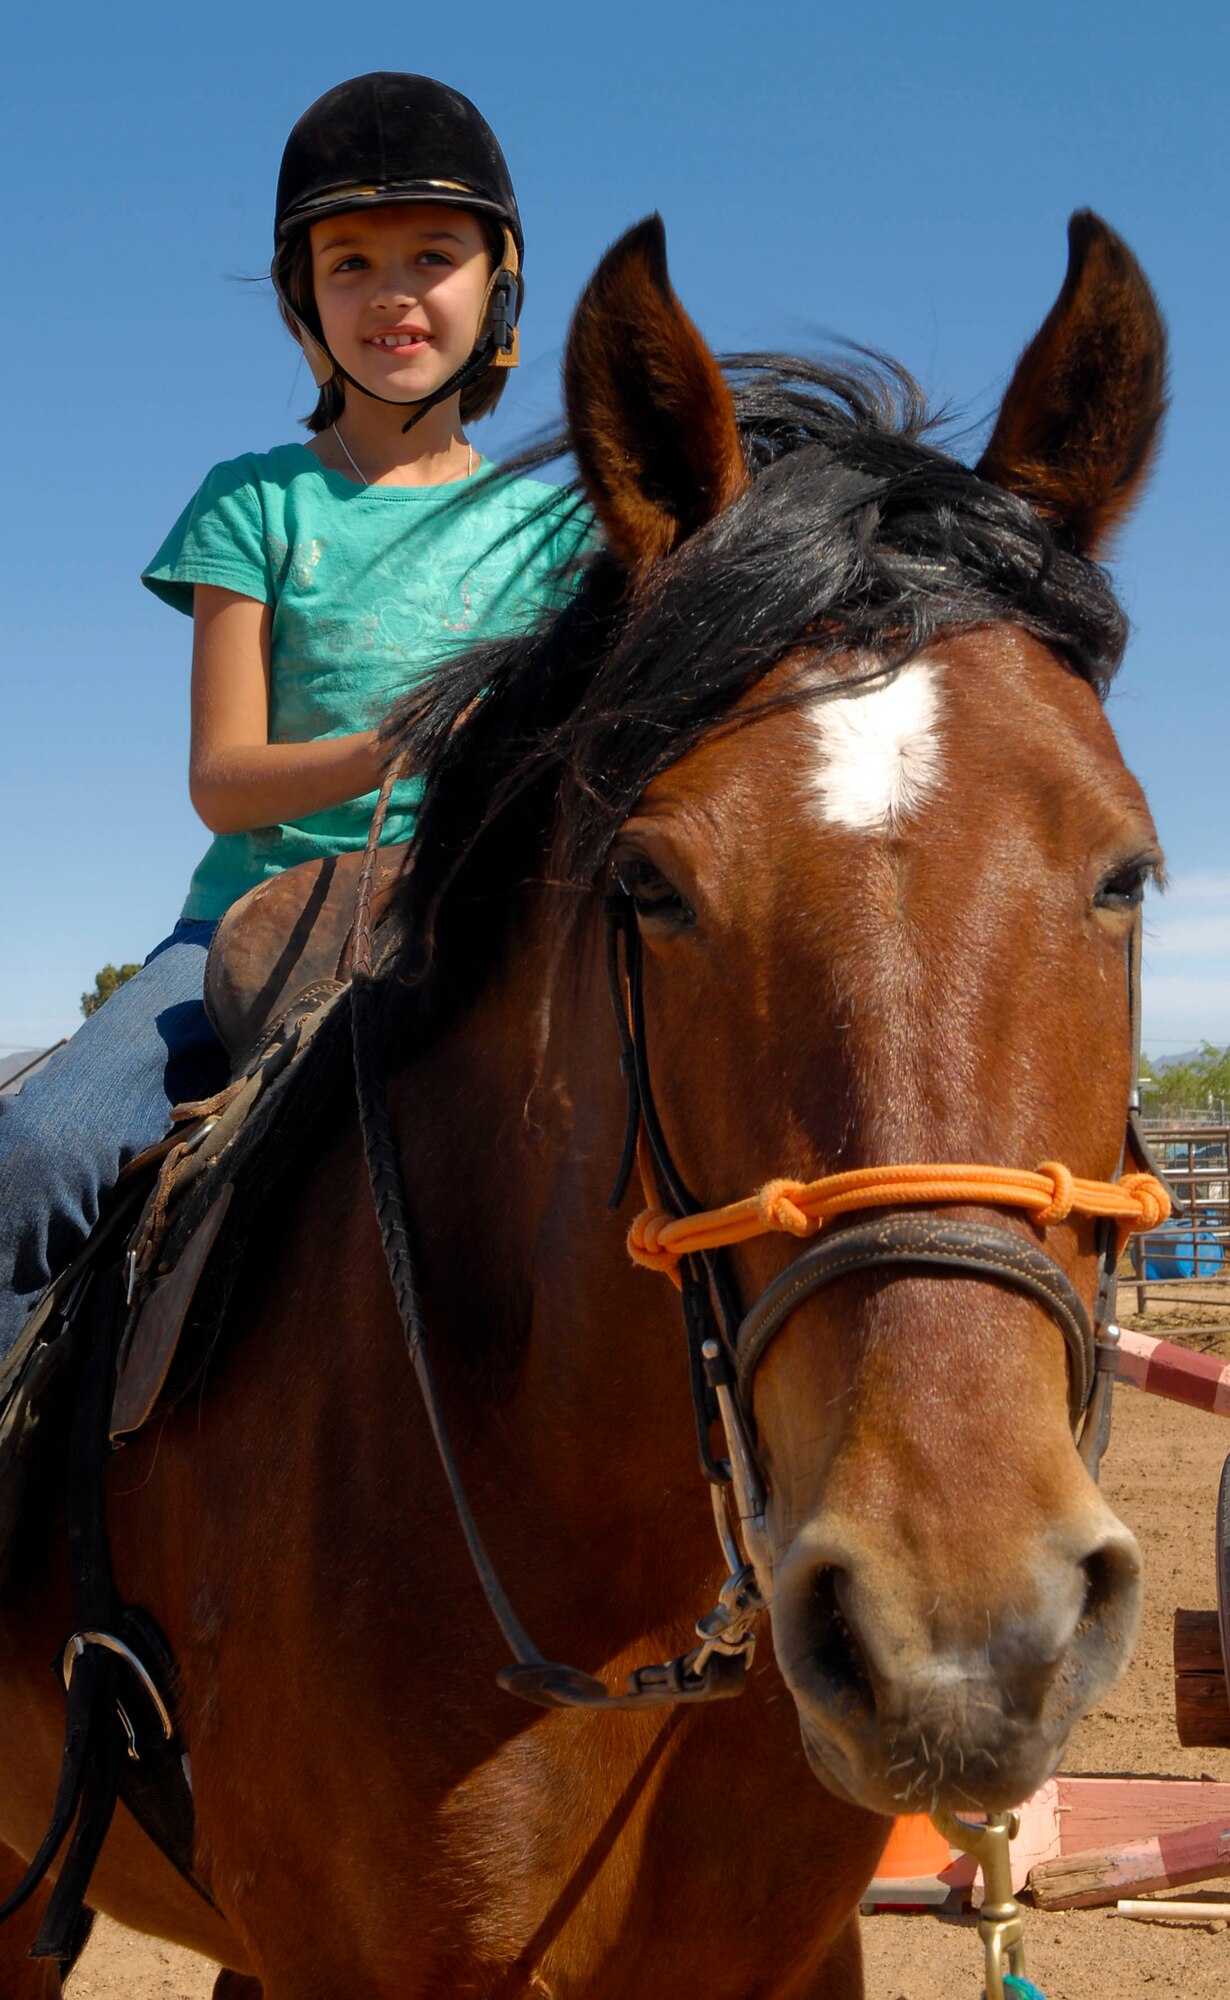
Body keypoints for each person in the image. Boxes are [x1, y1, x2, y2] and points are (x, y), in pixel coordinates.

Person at [0, 72, 590, 1362]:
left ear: (499, 282)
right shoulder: (252, 502)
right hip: (239, 929)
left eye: (434, 254)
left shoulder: (561, 528)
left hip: (468, 925)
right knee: (31, 1160)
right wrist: (417, 737)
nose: (393, 293)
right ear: (299, 303)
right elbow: (224, 780)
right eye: (349, 262)